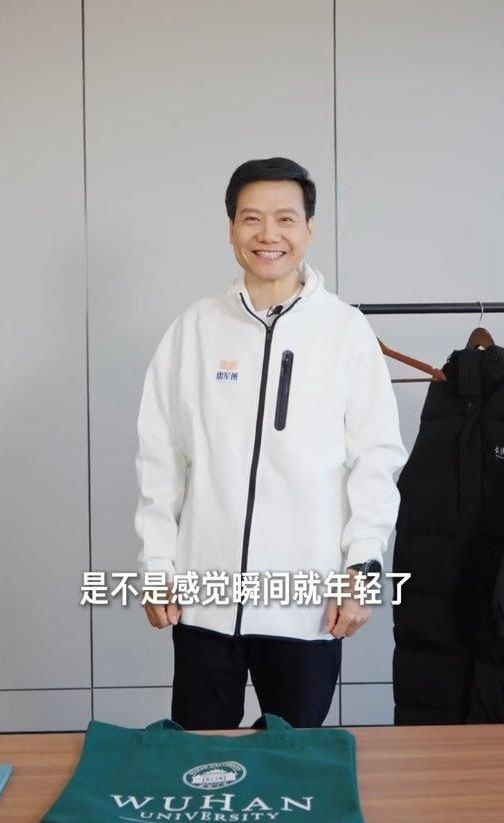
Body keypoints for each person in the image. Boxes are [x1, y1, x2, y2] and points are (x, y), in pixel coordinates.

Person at [134, 157, 407, 730]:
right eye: (251, 218)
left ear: (309, 228)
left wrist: (362, 568)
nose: (268, 235)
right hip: (205, 601)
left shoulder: (345, 332)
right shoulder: (195, 329)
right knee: (200, 758)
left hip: (306, 602)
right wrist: (157, 563)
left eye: (285, 219)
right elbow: (160, 461)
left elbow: (375, 462)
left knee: (295, 759)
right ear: (231, 228)